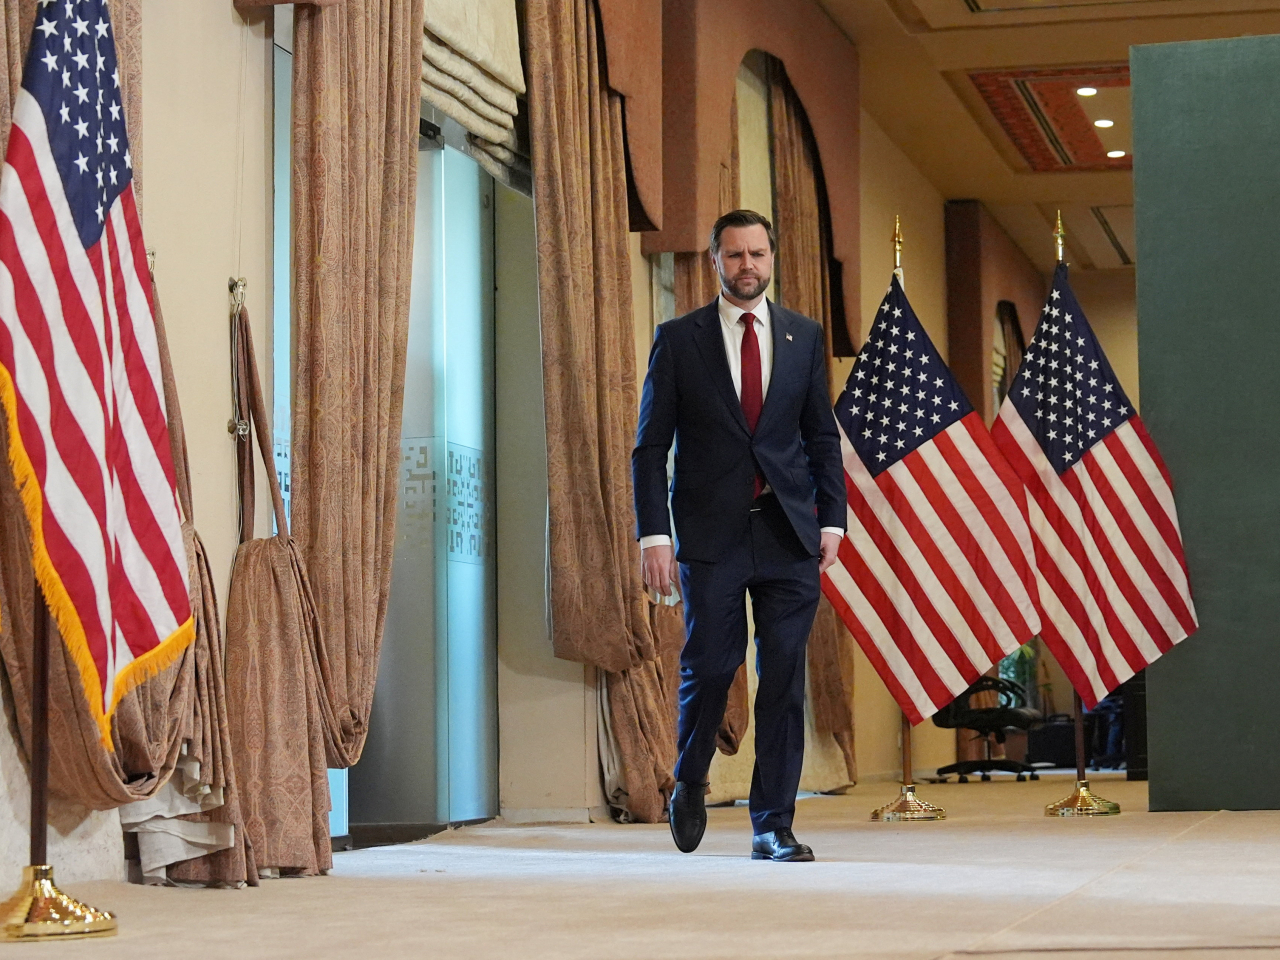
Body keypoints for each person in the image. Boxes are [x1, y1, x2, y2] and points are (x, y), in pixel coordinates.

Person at [632, 209, 845, 862]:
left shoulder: (803, 339)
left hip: (788, 534)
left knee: (782, 676)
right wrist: (653, 537)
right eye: (734, 255)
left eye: (757, 254)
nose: (747, 265)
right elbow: (650, 448)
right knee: (714, 664)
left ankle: (771, 826)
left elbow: (818, 436)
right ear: (714, 261)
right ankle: (690, 777)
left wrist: (832, 517)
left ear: (771, 259)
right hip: (710, 535)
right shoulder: (679, 340)